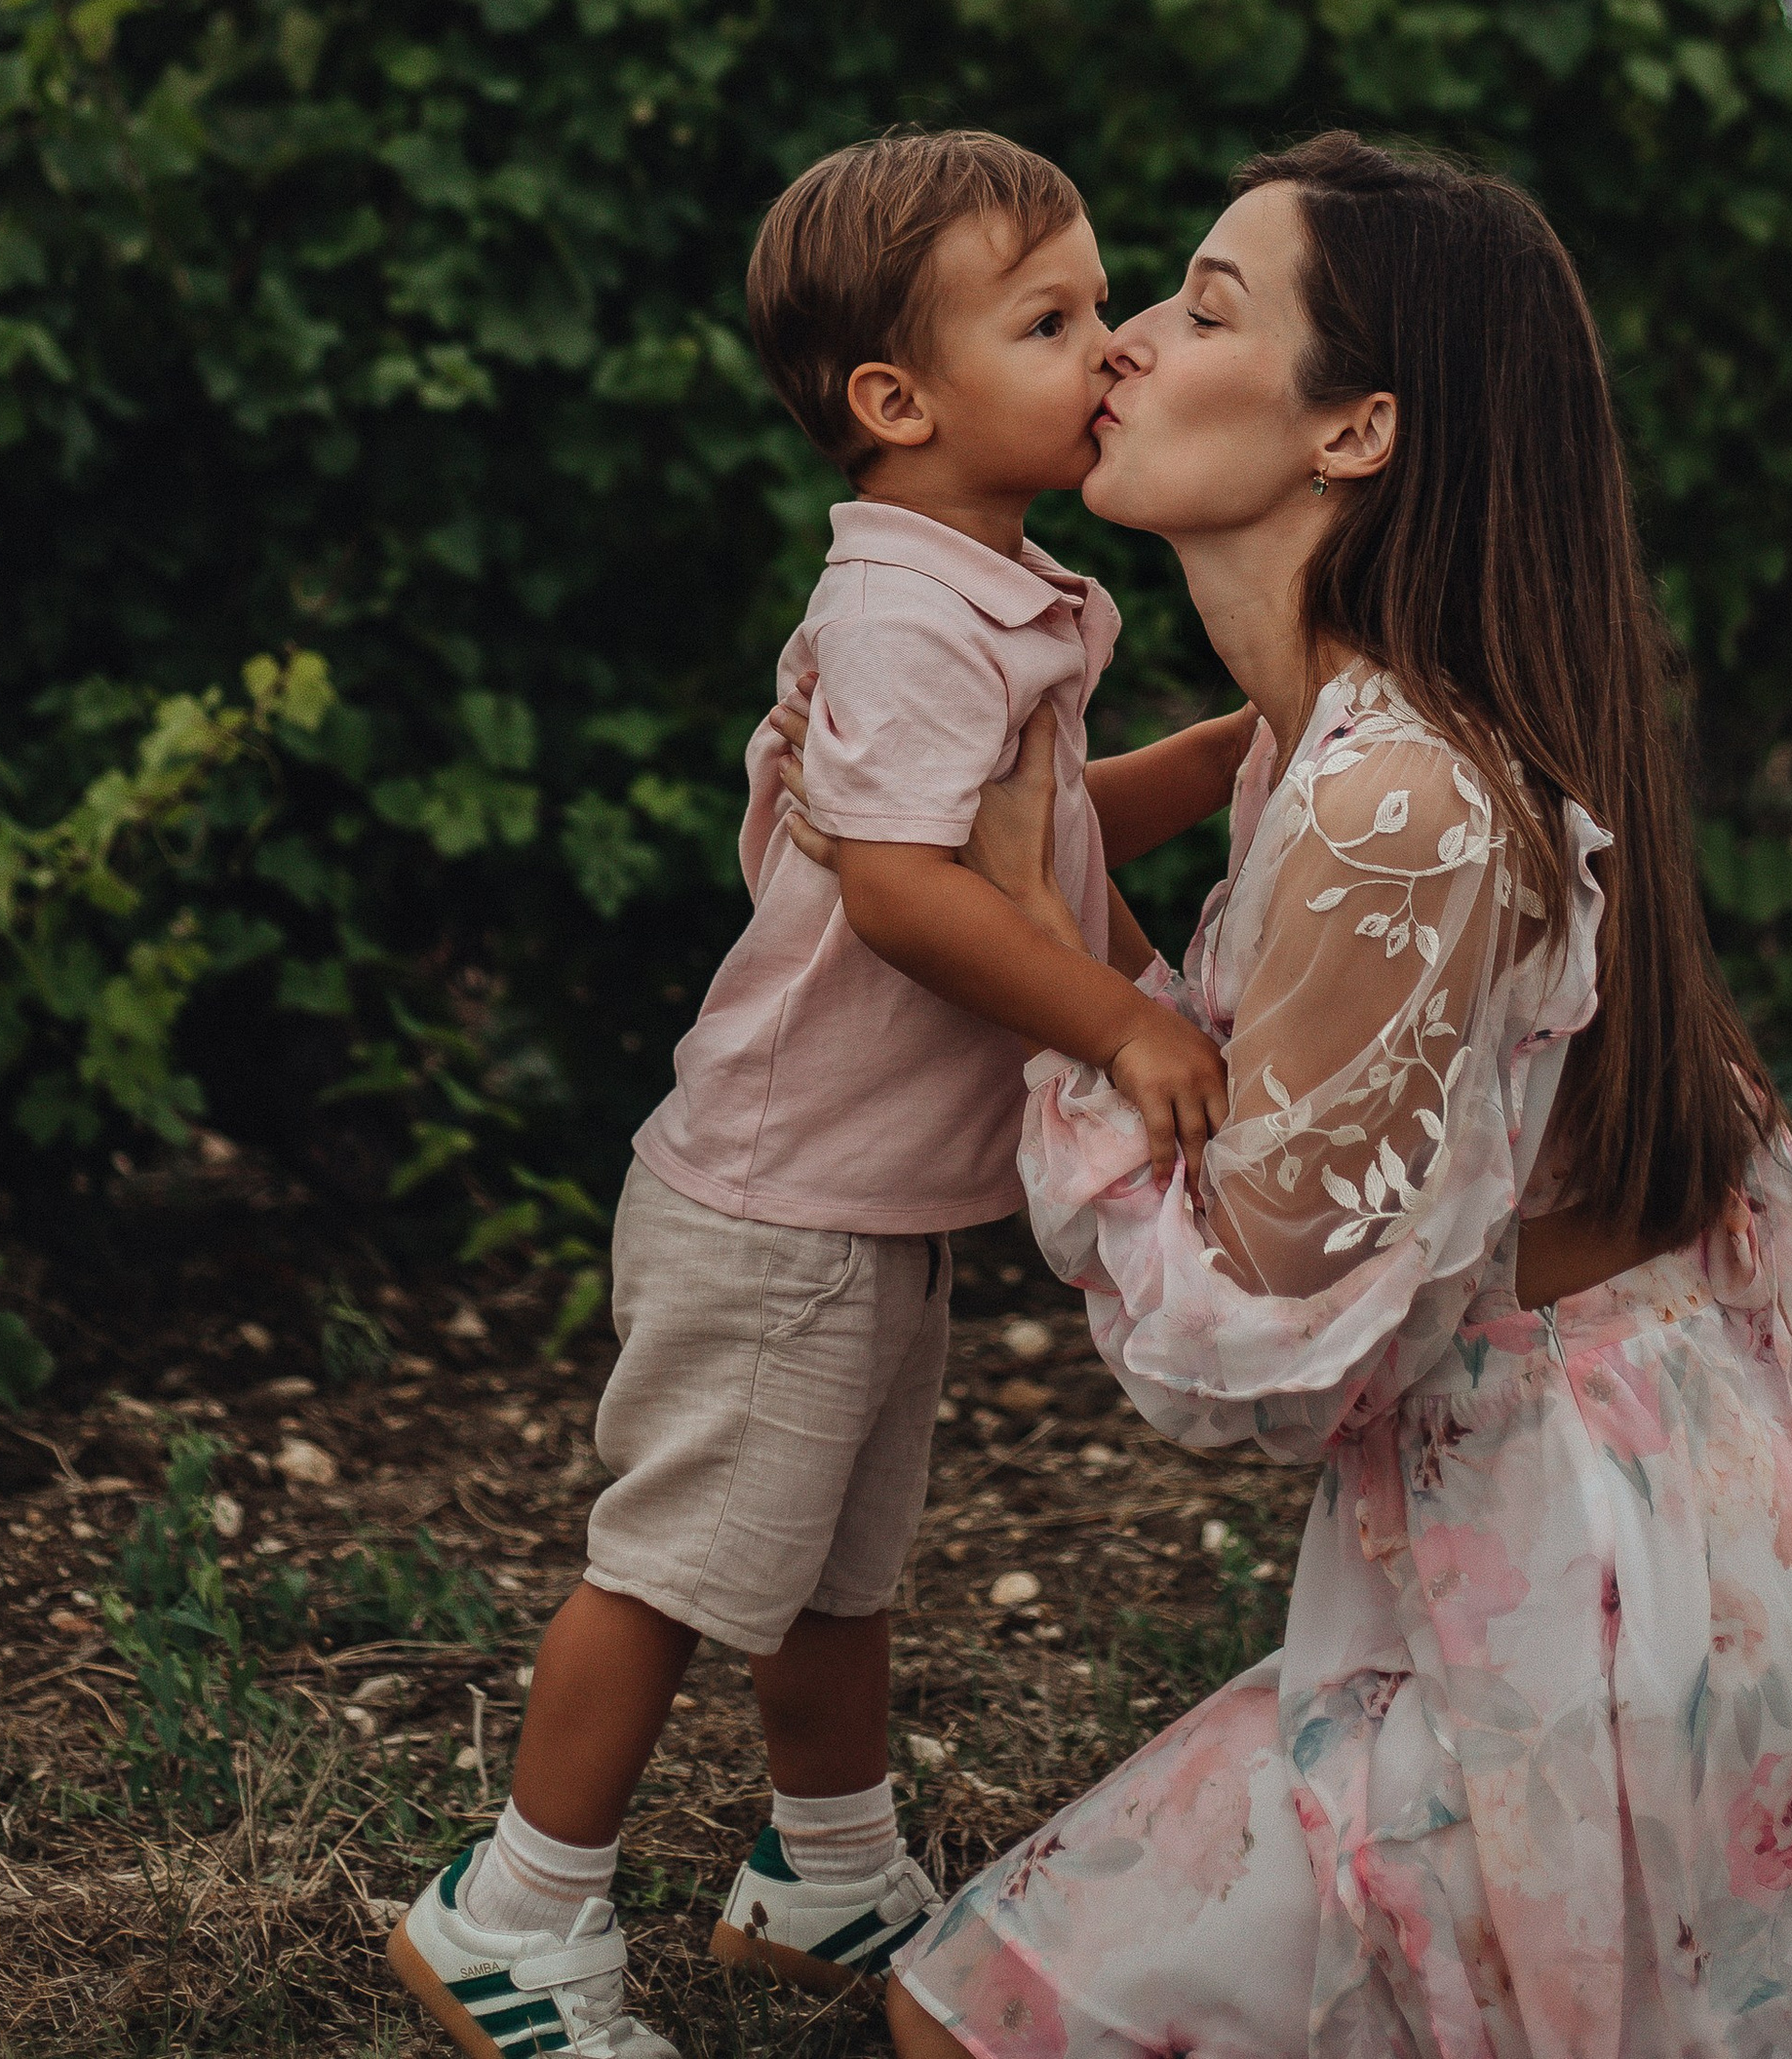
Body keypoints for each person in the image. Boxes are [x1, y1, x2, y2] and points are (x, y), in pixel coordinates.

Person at [874, 133, 1792, 2059]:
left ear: (1353, 432)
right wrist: (1040, 921)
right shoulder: (1324, 748)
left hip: (1595, 1628)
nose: (1126, 341)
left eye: (1203, 309)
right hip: (1572, 1560)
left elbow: (1255, 1349)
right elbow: (1261, 1124)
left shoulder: (1393, 795)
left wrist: (1044, 972)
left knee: (978, 2021)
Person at [390, 127, 1249, 2059]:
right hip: (777, 1205)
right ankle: (513, 1913)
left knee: (834, 1579)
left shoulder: (984, 591)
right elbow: (903, 893)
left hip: (862, 1203)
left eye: (1100, 299)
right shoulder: (905, 618)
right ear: (896, 400)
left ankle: (827, 1873)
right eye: (1050, 320)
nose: (1111, 342)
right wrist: (1123, 1029)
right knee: (671, 1574)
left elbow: (1030, 851)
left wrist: (1210, 759)